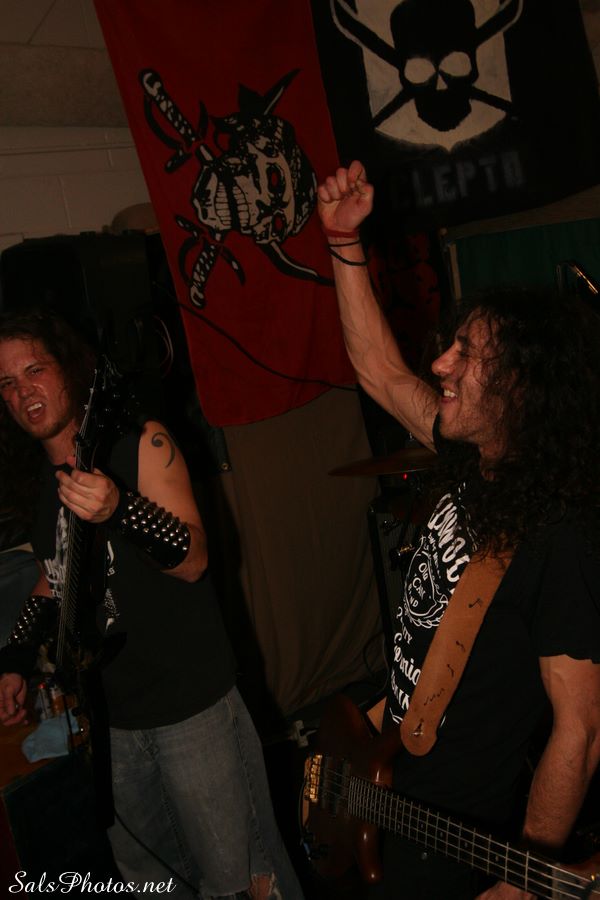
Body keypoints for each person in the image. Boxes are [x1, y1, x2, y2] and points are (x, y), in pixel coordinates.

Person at [316, 160, 600, 899]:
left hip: (453, 832)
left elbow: (581, 729)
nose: (440, 361)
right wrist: (343, 243)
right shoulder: (471, 454)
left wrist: (529, 874)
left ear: (520, 389)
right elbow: (380, 371)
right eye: (451, 344)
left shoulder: (560, 536)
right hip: (389, 775)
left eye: (467, 355)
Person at [0, 310, 303, 900]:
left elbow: (194, 558)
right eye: (7, 382)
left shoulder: (143, 445)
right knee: (151, 884)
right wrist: (14, 658)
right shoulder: (44, 483)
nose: (22, 390)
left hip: (191, 712)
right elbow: (52, 576)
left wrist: (121, 509)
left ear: (68, 368)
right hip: (111, 723)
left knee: (243, 881)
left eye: (35, 369)